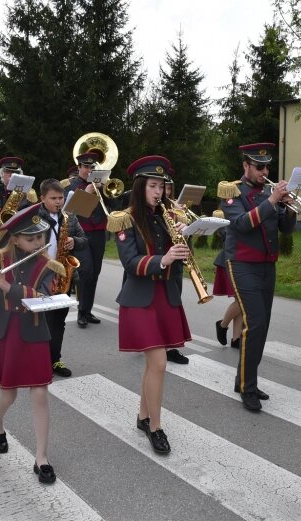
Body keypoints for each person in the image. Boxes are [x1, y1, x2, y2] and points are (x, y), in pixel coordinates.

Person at [0, 202, 64, 484]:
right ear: (16, 239)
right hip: (6, 334)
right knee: (8, 394)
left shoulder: (48, 266)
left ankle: (41, 457)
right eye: (31, 238)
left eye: (41, 237)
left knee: (40, 394)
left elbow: (43, 300)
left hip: (33, 335)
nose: (38, 242)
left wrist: (10, 288)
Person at [107, 155, 191, 454]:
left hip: (165, 296)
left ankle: (144, 417)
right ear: (141, 186)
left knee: (152, 366)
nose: (159, 192)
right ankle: (156, 427)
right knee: (158, 363)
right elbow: (130, 263)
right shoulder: (125, 218)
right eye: (153, 186)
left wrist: (183, 239)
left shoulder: (166, 216)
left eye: (162, 186)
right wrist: (163, 259)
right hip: (140, 299)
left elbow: (178, 257)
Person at [218, 143, 297, 411]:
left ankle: (244, 380)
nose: (265, 171)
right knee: (256, 322)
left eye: (267, 167)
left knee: (263, 326)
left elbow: (286, 230)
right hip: (242, 263)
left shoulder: (267, 193)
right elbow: (240, 224)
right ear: (246, 166)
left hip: (267, 265)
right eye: (259, 167)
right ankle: (247, 387)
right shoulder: (232, 192)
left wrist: (289, 207)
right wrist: (273, 201)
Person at [37, 178, 87, 377]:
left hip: (63, 275)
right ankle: (38, 360)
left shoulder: (70, 217)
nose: (58, 202)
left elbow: (84, 240)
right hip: (40, 276)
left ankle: (55, 359)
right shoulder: (34, 217)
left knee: (59, 321)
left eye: (61, 198)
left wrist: (74, 241)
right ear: (42, 198)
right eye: (54, 198)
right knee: (42, 322)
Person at [63, 153, 113, 328]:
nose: (89, 170)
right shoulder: (70, 185)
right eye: (86, 167)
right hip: (80, 233)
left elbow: (112, 204)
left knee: (96, 272)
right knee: (86, 272)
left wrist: (104, 189)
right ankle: (81, 312)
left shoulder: (100, 185)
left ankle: (88, 310)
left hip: (99, 231)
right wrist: (86, 193)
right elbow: (70, 211)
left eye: (92, 168)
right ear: (79, 168)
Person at [161, 176, 190, 365]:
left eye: (168, 189)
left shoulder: (176, 209)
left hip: (176, 262)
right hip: (158, 261)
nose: (165, 193)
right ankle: (156, 343)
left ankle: (171, 347)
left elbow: (186, 235)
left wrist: (185, 225)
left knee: (174, 301)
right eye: (162, 188)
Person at [212, 209, 243, 349]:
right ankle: (223, 325)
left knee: (241, 302)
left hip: (242, 263)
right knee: (243, 300)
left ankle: (236, 338)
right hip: (230, 263)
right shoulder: (231, 220)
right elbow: (227, 234)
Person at [0, 157, 36, 223]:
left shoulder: (28, 192)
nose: (12, 175)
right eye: (8, 172)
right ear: (2, 174)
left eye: (16, 172)